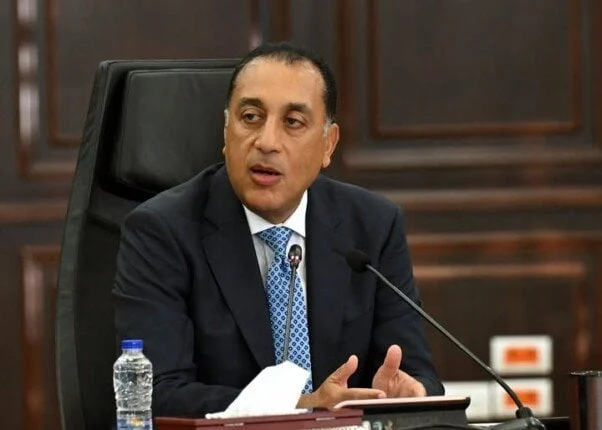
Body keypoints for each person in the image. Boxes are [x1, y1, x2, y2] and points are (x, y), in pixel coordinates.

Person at [113, 41, 444, 418]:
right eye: (250, 117)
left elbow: (416, 373)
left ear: (328, 144)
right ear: (226, 130)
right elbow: (158, 394)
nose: (267, 142)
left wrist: (411, 393)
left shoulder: (373, 226)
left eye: (293, 122)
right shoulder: (161, 232)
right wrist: (302, 407)